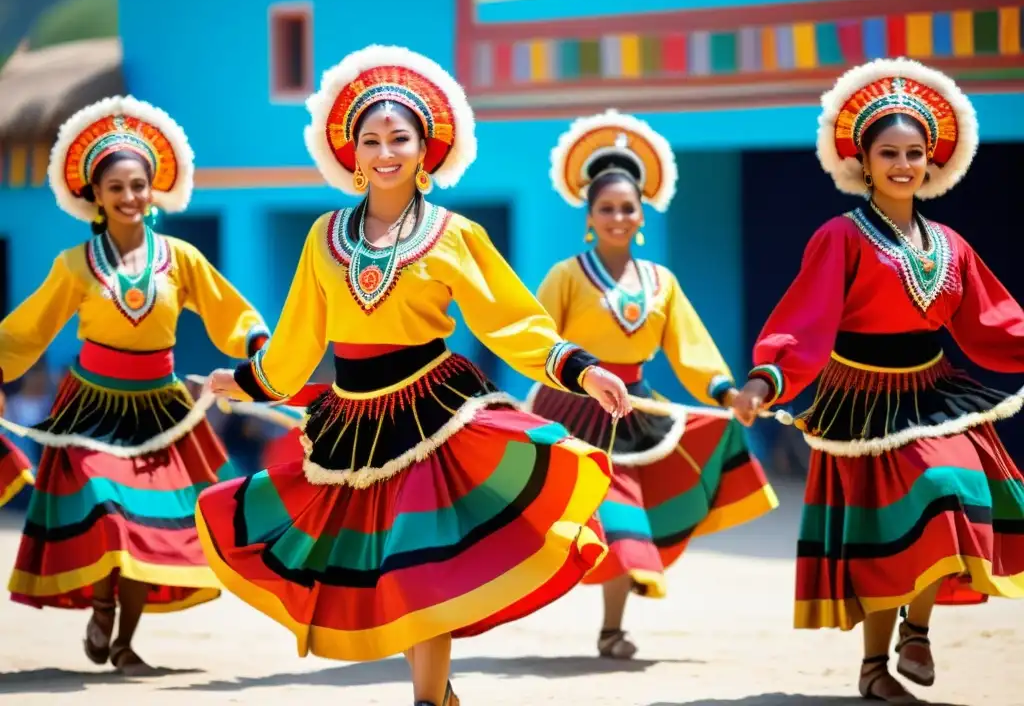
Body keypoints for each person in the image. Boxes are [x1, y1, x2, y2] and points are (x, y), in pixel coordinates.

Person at [196, 45, 631, 706]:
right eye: (370, 139)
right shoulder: (323, 236)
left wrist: (584, 369)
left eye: (399, 137)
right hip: (352, 421)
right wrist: (248, 381)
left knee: (419, 568)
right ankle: (439, 696)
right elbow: (298, 340)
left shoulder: (454, 233)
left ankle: (428, 700)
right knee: (377, 570)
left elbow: (513, 322)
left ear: (426, 148)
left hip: (434, 414)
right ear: (351, 151)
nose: (384, 151)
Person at [731, 58, 1024, 703]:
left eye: (914, 152)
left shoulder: (949, 242)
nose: (902, 163)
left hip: (933, 390)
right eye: (887, 152)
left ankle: (914, 630)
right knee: (885, 532)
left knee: (948, 491)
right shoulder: (840, 236)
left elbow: (993, 320)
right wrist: (765, 381)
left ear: (931, 161)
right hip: (861, 401)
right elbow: (802, 321)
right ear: (862, 161)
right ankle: (873, 667)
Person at [0, 97, 270, 675]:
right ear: (94, 196)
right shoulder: (75, 265)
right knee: (106, 503)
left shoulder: (181, 258)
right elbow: (28, 329)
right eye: (116, 187)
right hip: (93, 408)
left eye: (138, 185)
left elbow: (231, 313)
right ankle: (100, 603)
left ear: (153, 190)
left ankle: (124, 642)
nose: (129, 197)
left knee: (148, 526)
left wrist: (255, 343)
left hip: (160, 411)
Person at [527, 109, 779, 659]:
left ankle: (611, 629)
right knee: (606, 517)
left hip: (635, 410)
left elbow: (690, 348)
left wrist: (727, 395)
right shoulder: (567, 276)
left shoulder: (661, 283)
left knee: (633, 515)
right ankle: (597, 610)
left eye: (627, 208)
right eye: (606, 208)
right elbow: (536, 339)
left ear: (642, 215)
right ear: (589, 217)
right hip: (573, 408)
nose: (618, 216)